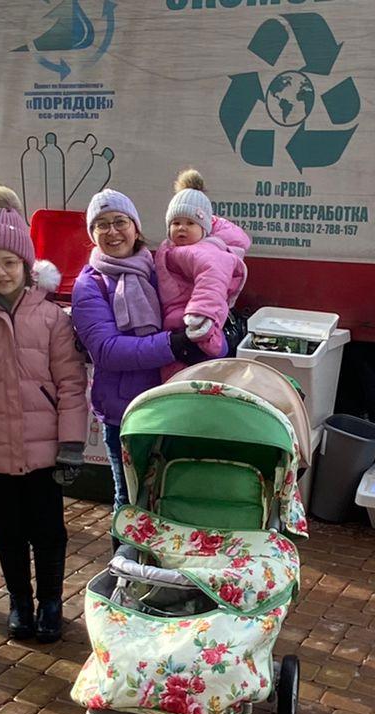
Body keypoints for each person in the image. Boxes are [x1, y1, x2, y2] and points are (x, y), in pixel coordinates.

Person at [0, 187, 86, 643]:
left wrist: (71, 445)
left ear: (26, 265)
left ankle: (51, 602)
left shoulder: (51, 318)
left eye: (9, 263)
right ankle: (20, 601)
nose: (1, 272)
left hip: (44, 454)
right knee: (7, 534)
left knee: (49, 532)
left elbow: (70, 385)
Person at [69, 188, 208, 511]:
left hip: (173, 402)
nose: (112, 231)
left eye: (120, 221)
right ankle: (123, 547)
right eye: (102, 224)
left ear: (136, 227)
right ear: (92, 233)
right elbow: (107, 350)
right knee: (132, 503)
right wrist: (172, 345)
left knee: (173, 499)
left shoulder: (161, 267)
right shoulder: (89, 284)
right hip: (127, 413)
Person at [154, 168, 248, 377]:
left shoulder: (200, 251)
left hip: (192, 323)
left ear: (204, 229)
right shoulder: (176, 248)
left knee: (186, 376)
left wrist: (200, 315)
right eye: (176, 223)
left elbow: (212, 278)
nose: (182, 228)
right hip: (181, 323)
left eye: (190, 223)